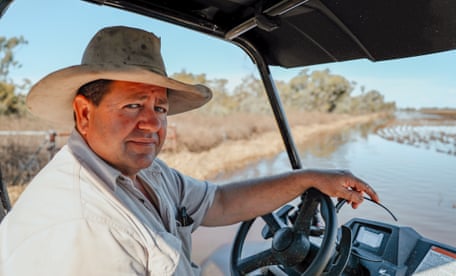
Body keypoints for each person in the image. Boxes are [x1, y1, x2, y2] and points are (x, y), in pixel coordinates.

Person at [0, 26, 379, 275]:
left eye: (159, 108)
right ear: (84, 113)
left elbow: (218, 202)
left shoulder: (146, 173)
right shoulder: (85, 227)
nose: (152, 124)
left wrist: (308, 179)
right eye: (133, 105)